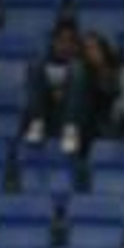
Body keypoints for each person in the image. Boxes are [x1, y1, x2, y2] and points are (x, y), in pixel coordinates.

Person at [24, 20, 90, 154]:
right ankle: (37, 123)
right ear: (53, 42)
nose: (65, 46)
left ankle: (70, 129)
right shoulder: (41, 67)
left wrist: (63, 90)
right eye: (61, 41)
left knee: (77, 68)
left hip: (76, 126)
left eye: (70, 42)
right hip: (48, 119)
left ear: (76, 45)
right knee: (36, 66)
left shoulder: (84, 68)